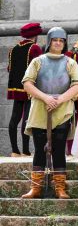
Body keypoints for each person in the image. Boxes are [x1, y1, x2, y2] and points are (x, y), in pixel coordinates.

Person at [20, 27, 78, 199]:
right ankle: (36, 187)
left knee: (59, 148)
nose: (58, 43)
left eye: (61, 40)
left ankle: (60, 188)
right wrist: (46, 98)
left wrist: (59, 100)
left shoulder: (70, 63)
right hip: (41, 108)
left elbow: (77, 85)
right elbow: (27, 83)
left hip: (62, 110)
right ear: (49, 42)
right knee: (40, 148)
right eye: (55, 40)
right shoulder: (38, 61)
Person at [6, 22, 43, 157]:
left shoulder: (13, 49)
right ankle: (26, 151)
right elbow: (39, 68)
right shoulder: (34, 48)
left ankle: (15, 150)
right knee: (26, 119)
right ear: (35, 35)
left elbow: (9, 69)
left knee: (14, 118)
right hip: (29, 87)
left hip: (15, 87)